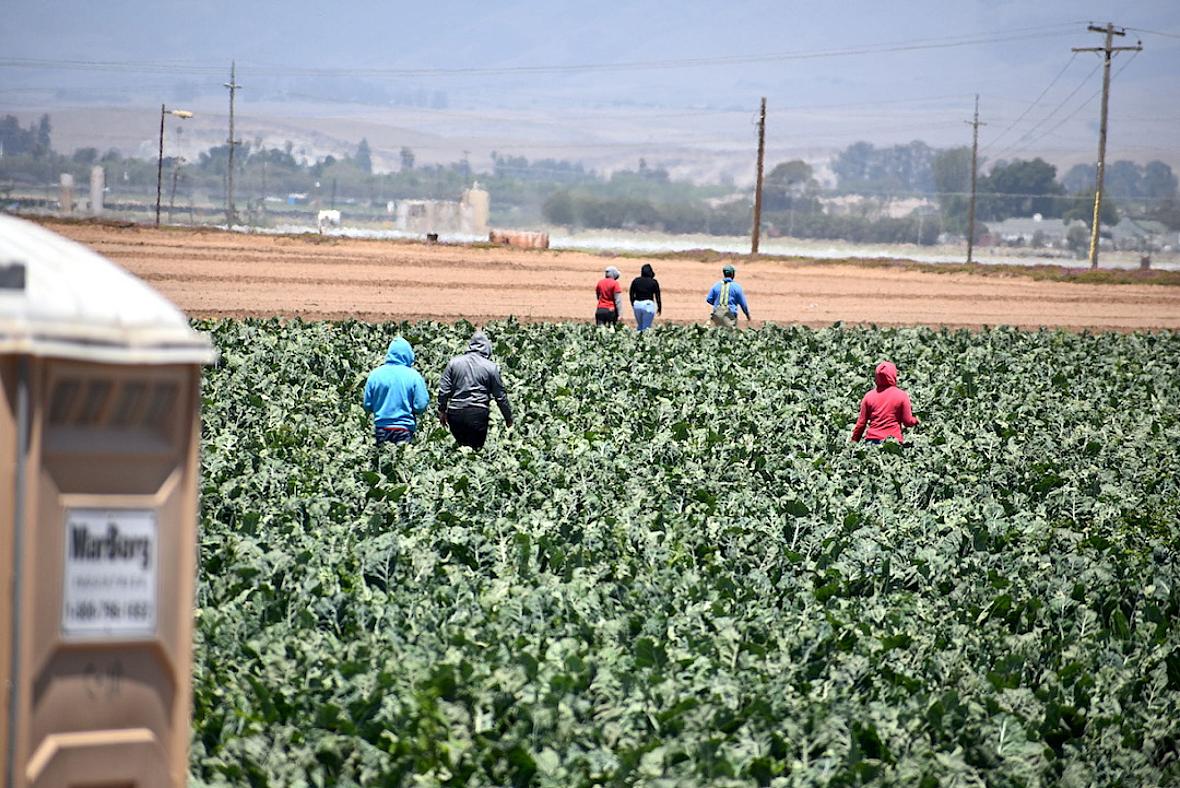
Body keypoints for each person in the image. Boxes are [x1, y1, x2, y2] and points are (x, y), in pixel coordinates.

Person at [438, 330, 513, 449]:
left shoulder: (454, 363)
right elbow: (500, 396)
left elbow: (444, 389)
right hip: (477, 414)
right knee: (475, 451)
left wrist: (442, 410)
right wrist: (508, 417)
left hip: (455, 413)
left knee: (459, 451)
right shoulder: (490, 367)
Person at [364, 337, 429, 446]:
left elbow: (367, 404)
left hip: (381, 428)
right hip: (404, 429)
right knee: (401, 460)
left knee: (383, 459)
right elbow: (421, 405)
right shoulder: (414, 376)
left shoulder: (375, 375)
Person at [851, 361, 920, 445]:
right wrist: (916, 420)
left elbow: (861, 424)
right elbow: (907, 422)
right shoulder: (902, 395)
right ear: (893, 375)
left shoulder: (868, 396)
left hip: (872, 441)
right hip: (893, 442)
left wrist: (854, 441)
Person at [629, 263, 662, 332]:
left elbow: (631, 293)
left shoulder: (636, 281)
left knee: (640, 325)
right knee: (646, 328)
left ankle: (637, 340)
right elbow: (657, 295)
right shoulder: (653, 282)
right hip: (648, 305)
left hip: (637, 304)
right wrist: (659, 307)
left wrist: (633, 303)